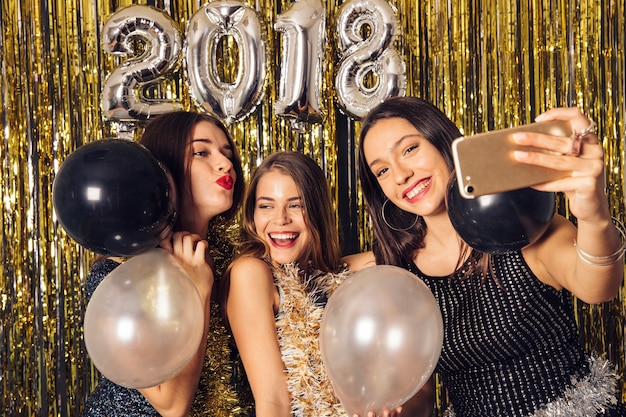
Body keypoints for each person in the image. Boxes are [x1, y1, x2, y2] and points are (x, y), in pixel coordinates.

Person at [344, 96, 626, 417]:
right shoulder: (395, 272)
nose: (399, 175)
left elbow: (597, 287)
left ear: (444, 143)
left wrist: (594, 214)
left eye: (409, 150)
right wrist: (395, 410)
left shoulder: (519, 223)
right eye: (381, 170)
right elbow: (420, 393)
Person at [81, 111, 251, 417]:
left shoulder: (233, 260)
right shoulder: (118, 275)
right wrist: (198, 289)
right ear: (165, 169)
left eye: (227, 153)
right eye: (202, 152)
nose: (226, 164)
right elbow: (172, 406)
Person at [221, 151, 405, 417]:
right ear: (252, 215)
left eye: (296, 205)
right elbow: (273, 399)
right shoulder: (250, 272)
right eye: (266, 205)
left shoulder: (327, 277)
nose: (281, 218)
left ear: (317, 212)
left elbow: (389, 256)